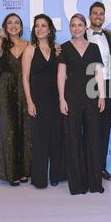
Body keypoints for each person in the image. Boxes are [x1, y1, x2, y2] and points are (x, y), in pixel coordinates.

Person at [57, 13, 105, 195]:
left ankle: (95, 183)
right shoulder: (64, 48)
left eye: (79, 25)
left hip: (92, 97)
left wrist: (102, 96)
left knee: (93, 139)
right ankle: (77, 185)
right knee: (73, 140)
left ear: (86, 27)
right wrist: (61, 98)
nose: (76, 28)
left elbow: (98, 73)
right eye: (73, 25)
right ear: (70, 28)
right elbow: (61, 75)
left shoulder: (94, 48)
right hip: (71, 98)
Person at [22, 14, 65, 188]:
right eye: (37, 26)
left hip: (55, 99)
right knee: (39, 139)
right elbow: (24, 78)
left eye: (43, 25)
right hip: (37, 100)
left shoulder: (57, 48)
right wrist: (29, 102)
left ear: (49, 29)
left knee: (56, 137)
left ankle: (56, 175)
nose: (40, 29)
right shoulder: (30, 49)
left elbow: (62, 74)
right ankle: (39, 179)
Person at [0, 13, 32, 186]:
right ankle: (11, 173)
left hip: (25, 89)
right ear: (5, 26)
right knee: (8, 130)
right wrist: (1, 35)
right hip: (5, 90)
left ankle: (24, 171)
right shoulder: (2, 43)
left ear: (21, 27)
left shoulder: (30, 45)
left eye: (17, 23)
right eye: (10, 23)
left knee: (25, 129)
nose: (14, 25)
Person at [86, 2, 111, 181]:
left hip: (108, 84)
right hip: (89, 85)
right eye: (95, 13)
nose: (98, 16)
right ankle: (88, 167)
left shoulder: (110, 36)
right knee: (89, 128)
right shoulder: (81, 34)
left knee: (105, 128)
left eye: (101, 14)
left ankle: (101, 167)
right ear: (89, 16)